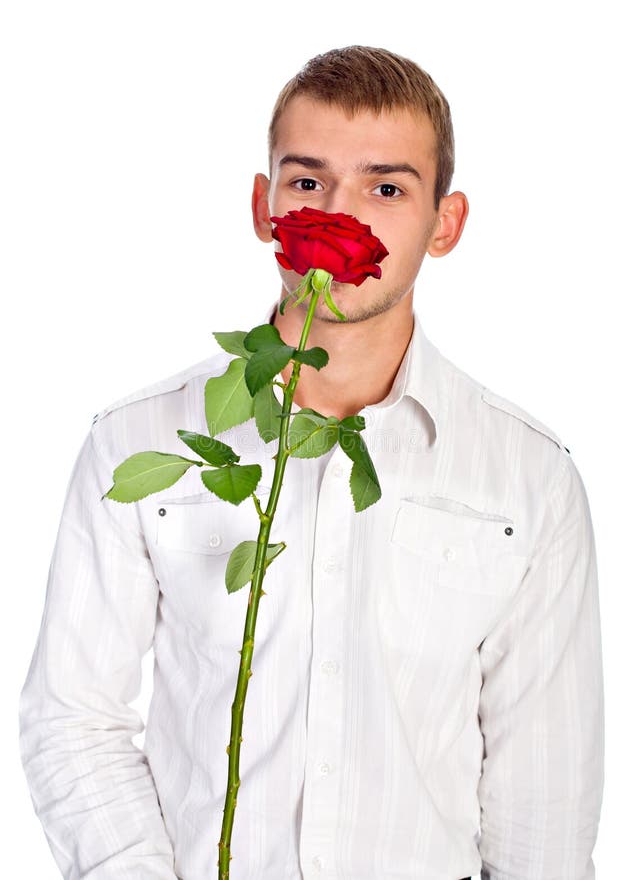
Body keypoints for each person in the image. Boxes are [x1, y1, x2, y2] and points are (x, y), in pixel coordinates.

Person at [19, 45, 604, 879]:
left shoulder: (528, 478)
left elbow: (541, 777)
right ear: (263, 207)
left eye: (387, 187)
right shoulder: (141, 441)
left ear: (446, 222)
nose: (343, 213)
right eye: (306, 183)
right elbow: (73, 719)